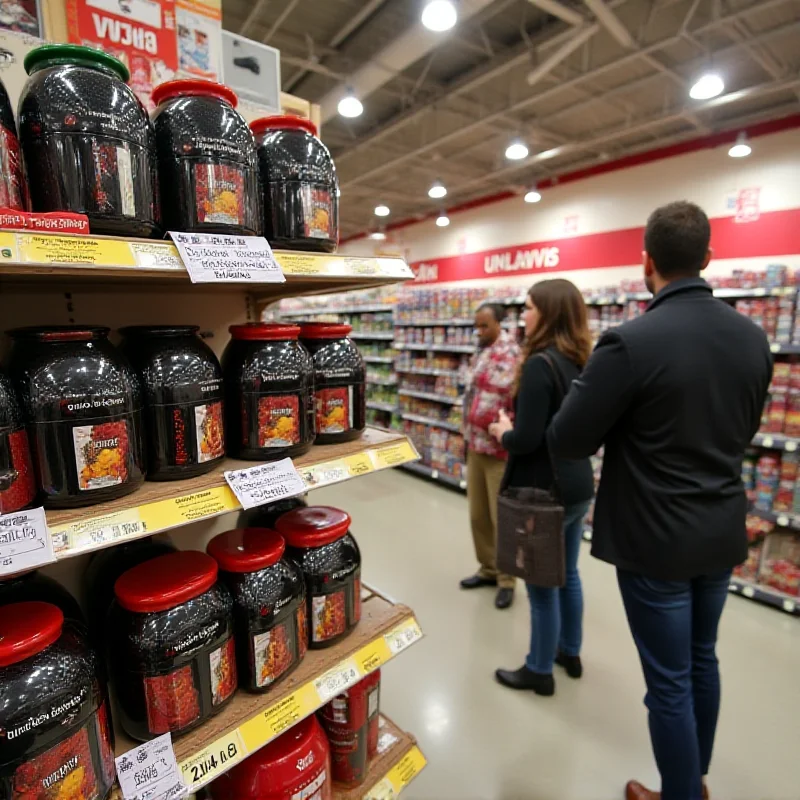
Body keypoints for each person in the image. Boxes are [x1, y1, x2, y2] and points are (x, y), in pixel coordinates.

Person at [548, 202, 772, 800]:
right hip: (719, 529)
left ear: (645, 260)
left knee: (668, 681)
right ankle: (691, 784)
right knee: (704, 659)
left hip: (654, 539)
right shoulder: (753, 339)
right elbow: (742, 428)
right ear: (709, 258)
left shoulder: (631, 342)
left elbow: (568, 439)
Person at [487, 279, 595, 695]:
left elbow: (528, 439)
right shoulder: (579, 359)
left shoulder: (539, 364)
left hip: (543, 489)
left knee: (540, 584)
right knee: (568, 573)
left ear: (548, 314)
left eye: (529, 308)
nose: (523, 316)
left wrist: (503, 430)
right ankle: (570, 651)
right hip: (577, 483)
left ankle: (538, 670)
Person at [460, 302, 520, 609]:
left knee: (502, 519)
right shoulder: (481, 350)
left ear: (500, 323)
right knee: (478, 516)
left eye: (485, 326)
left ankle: (507, 579)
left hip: (498, 450)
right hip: (475, 445)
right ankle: (488, 568)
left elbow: (515, 400)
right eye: (477, 325)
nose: (479, 331)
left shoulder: (512, 354)